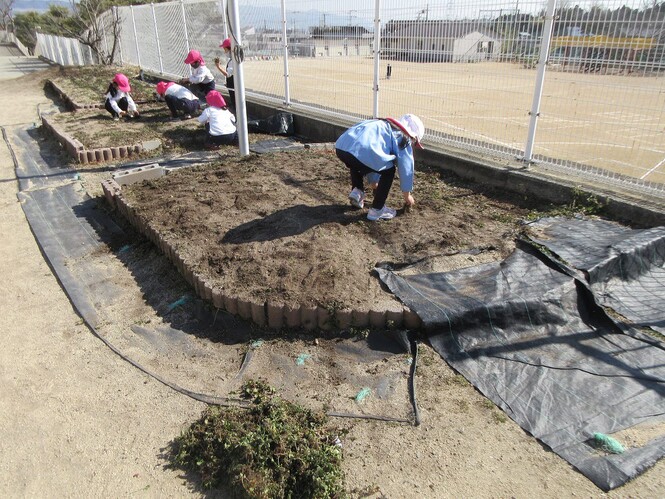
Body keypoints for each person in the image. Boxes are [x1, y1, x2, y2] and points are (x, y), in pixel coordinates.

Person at [335, 114, 424, 221]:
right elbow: (406, 168)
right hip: (361, 152)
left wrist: (374, 183)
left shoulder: (382, 124)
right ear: (413, 136)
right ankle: (377, 209)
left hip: (341, 146)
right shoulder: (402, 137)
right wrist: (407, 195)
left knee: (357, 158)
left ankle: (357, 191)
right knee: (389, 171)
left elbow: (375, 156)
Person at [214, 38, 235, 110]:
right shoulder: (232, 59)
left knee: (235, 102)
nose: (224, 51)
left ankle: (238, 119)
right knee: (234, 101)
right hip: (232, 85)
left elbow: (228, 74)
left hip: (234, 86)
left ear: (230, 48)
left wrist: (218, 67)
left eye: (225, 49)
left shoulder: (233, 61)